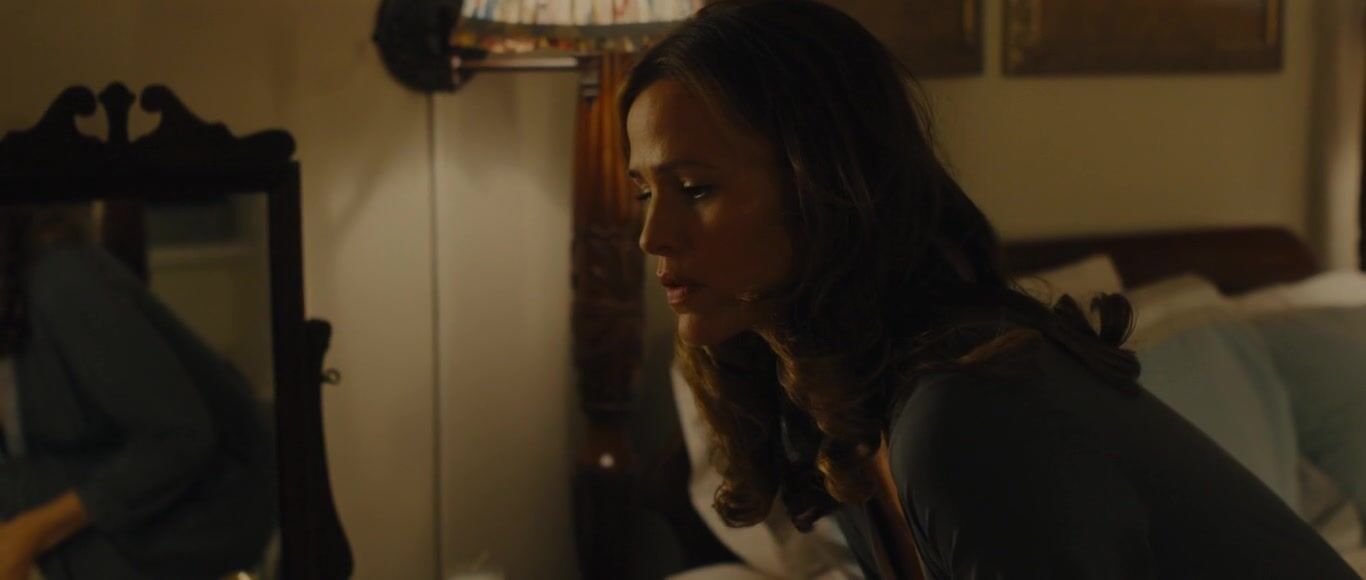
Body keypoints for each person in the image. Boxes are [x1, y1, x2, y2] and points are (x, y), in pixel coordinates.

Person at [622, 0, 1361, 577]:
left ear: (825, 188)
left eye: (695, 189)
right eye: (644, 193)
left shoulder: (965, 415)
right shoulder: (828, 404)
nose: (654, 236)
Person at [0, 205, 276, 580]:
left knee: (21, 495)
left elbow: (178, 436)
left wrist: (29, 532)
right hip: (116, 485)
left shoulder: (63, 284)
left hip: (213, 501)